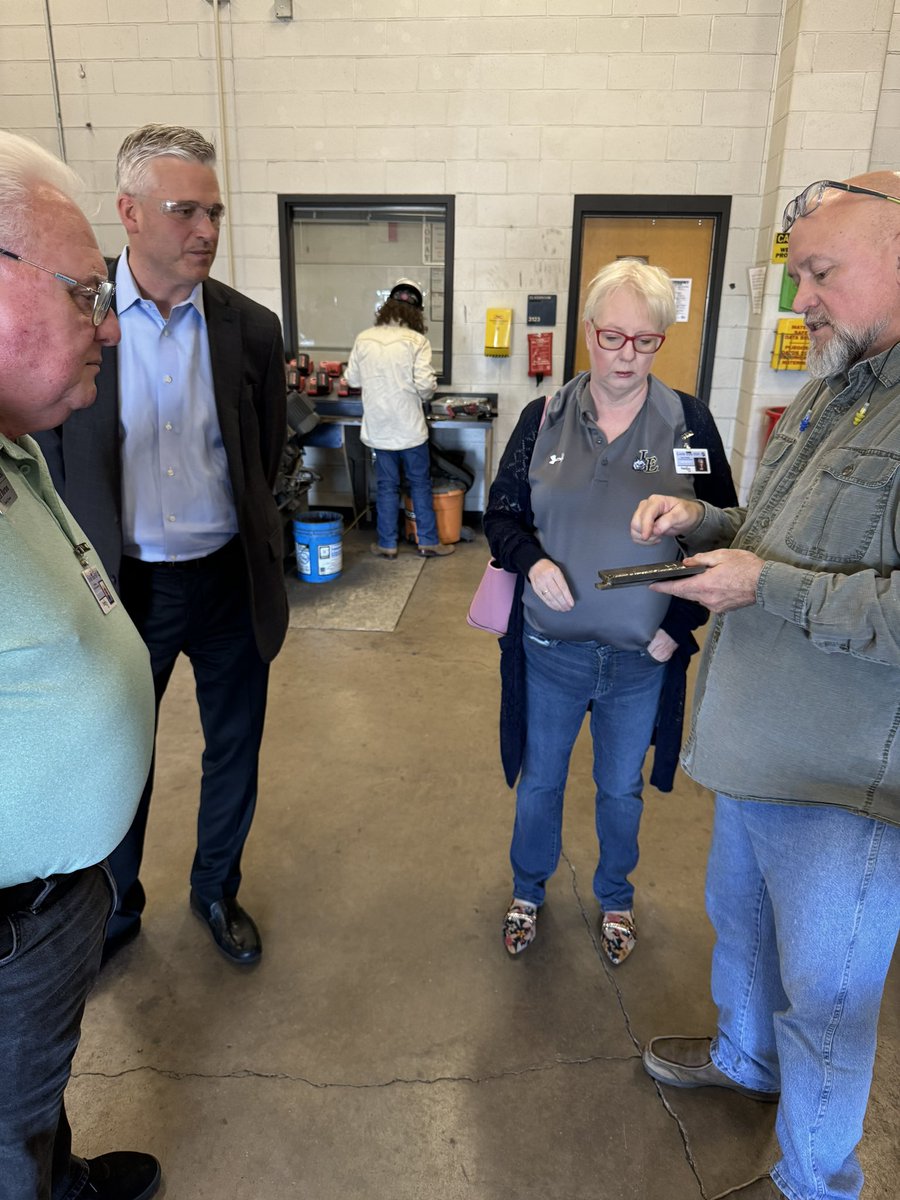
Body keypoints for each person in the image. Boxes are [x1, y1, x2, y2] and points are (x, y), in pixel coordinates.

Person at [632, 174, 900, 1200]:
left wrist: (764, 581)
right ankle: (745, 1061)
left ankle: (815, 1184)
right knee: (741, 927)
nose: (802, 307)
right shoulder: (840, 388)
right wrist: (703, 527)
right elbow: (773, 538)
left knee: (828, 1006)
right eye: (796, 278)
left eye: (822, 274)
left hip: (843, 786)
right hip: (754, 747)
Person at [35, 125, 288, 967]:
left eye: (214, 211)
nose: (206, 230)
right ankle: (115, 907)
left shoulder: (251, 329)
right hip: (119, 584)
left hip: (226, 580)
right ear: (128, 213)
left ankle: (217, 890)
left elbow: (266, 450)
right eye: (185, 210)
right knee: (117, 758)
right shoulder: (78, 312)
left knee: (234, 747)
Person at [483, 259, 736, 964]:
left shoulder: (689, 422)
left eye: (645, 341)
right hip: (549, 653)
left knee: (621, 789)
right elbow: (501, 516)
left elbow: (726, 530)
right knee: (540, 781)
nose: (626, 356)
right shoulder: (542, 417)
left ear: (663, 340)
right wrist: (532, 562)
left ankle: (615, 895)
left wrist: (677, 631)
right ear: (588, 332)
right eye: (612, 338)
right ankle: (528, 889)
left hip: (639, 659)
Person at [0, 130, 161, 1199]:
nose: (110, 324)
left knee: (32, 1098)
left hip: (54, 903)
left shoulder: (16, 438)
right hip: (11, 920)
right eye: (86, 294)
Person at [345, 278, 453, 558]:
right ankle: (427, 541)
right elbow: (426, 387)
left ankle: (387, 543)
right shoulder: (417, 341)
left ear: (387, 307)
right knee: (419, 484)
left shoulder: (364, 338)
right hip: (410, 429)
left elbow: (352, 378)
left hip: (380, 429)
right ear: (416, 312)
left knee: (386, 486)